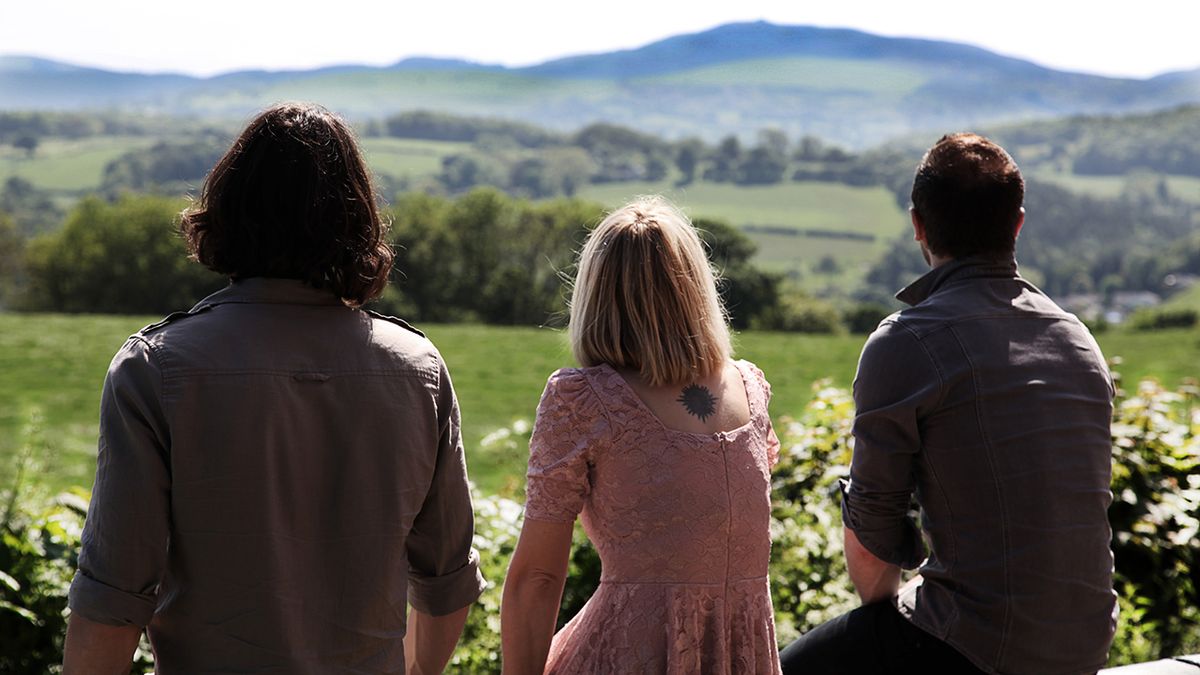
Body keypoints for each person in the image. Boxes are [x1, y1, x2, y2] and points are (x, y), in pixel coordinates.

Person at [63, 103, 484, 674]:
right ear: (357, 220)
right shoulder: (418, 370)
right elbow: (446, 581)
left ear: (229, 209)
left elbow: (113, 595)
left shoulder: (155, 369)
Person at [780, 133, 1118, 674]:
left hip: (978, 647)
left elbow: (872, 541)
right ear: (1018, 223)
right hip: (1086, 644)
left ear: (917, 224)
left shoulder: (908, 341)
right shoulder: (1078, 339)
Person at [500, 196, 784, 674]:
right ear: (696, 290)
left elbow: (539, 577)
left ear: (595, 293)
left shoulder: (583, 400)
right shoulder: (749, 389)